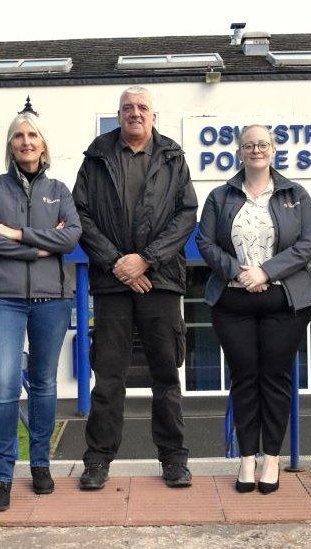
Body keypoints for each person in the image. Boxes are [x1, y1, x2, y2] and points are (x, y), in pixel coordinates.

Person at [72, 86, 198, 490]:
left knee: (166, 375)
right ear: (118, 115)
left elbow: (185, 214)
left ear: (154, 116)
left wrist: (146, 259)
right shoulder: (96, 157)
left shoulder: (173, 157)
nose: (135, 113)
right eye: (128, 108)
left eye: (143, 107)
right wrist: (117, 263)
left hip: (160, 281)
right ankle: (97, 461)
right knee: (108, 377)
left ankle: (174, 459)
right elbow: (81, 215)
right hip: (111, 285)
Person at [196, 125, 311, 494]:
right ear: (239, 151)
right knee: (245, 378)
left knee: (275, 379)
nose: (256, 150)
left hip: (286, 301)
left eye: (263, 144)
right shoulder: (220, 196)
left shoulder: (295, 194)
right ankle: (247, 457)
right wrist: (239, 272)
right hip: (233, 302)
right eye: (249, 145)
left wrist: (266, 271)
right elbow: (204, 241)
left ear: (274, 149)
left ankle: (271, 458)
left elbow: (309, 241)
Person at [0, 104, 81, 511]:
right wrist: (40, 246)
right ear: (11, 144)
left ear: (43, 144)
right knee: (2, 386)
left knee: (43, 385)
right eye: (19, 136)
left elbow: (71, 236)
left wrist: (18, 234)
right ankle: (2, 473)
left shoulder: (60, 190)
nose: (26, 142)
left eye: (32, 136)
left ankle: (40, 463)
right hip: (3, 299)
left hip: (52, 301)